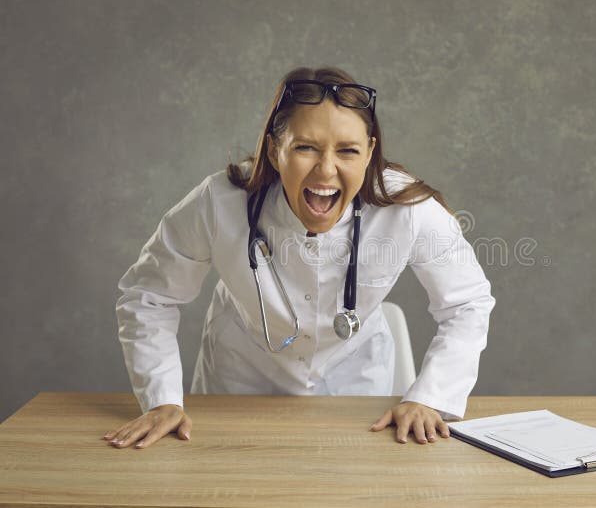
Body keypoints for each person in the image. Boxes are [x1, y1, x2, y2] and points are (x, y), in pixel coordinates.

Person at [103, 66, 495, 449]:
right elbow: (149, 296)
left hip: (359, 398)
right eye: (305, 147)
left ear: (370, 152)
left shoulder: (408, 208)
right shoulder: (219, 201)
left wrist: (430, 397)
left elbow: (467, 303)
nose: (326, 170)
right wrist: (161, 399)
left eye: (348, 150)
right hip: (238, 392)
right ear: (275, 151)